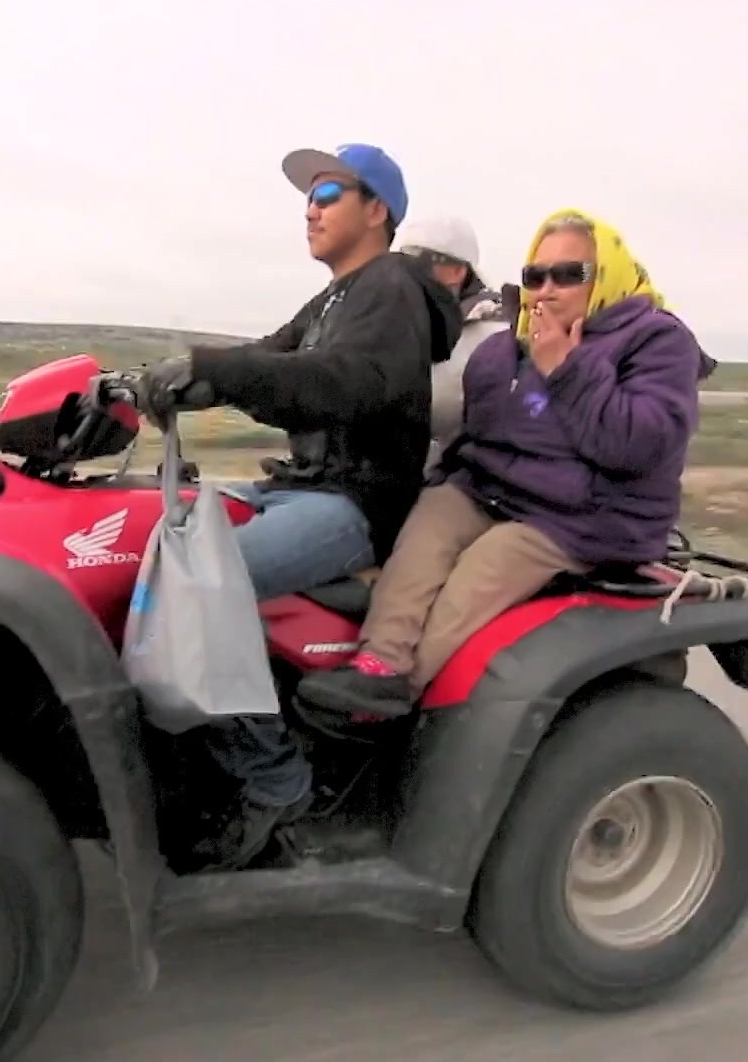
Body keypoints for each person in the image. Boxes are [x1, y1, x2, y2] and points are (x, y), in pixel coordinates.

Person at [139, 143, 461, 868]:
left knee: (198, 581)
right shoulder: (336, 297)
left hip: (355, 503)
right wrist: (178, 382)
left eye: (328, 193)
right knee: (151, 531)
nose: (310, 208)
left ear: (376, 210)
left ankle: (275, 777)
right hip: (301, 486)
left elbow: (344, 380)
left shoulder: (392, 289)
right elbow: (275, 357)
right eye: (308, 196)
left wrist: (216, 371)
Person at [297, 208, 715, 719]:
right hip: (494, 491)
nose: (547, 290)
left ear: (606, 273)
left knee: (481, 569)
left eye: (568, 274)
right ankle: (380, 665)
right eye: (536, 276)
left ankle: (399, 700)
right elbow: (481, 436)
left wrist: (565, 368)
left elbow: (635, 446)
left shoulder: (656, 342)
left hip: (584, 516)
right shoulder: (504, 348)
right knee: (428, 526)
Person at [394, 215, 513, 471]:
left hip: (465, 477)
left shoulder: (494, 337)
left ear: (457, 271)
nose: (402, 273)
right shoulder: (406, 323)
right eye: (399, 262)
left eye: (417, 262)